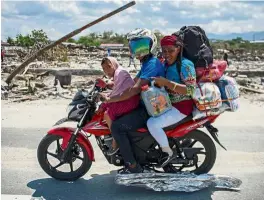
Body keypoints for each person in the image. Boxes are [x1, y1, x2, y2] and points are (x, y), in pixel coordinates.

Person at [106, 28, 164, 174]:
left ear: (152, 45)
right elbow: (133, 82)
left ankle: (132, 165)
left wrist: (112, 98)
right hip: (147, 104)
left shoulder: (152, 63)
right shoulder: (147, 63)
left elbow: (134, 89)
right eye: (135, 46)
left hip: (150, 109)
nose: (139, 50)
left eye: (142, 45)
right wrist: (112, 87)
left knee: (117, 127)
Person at [147, 35, 196, 167]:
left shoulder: (185, 65)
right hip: (166, 104)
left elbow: (191, 90)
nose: (167, 54)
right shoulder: (165, 64)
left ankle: (168, 152)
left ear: (178, 49)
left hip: (181, 107)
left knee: (152, 124)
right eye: (164, 51)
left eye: (171, 50)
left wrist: (167, 83)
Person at [98, 56, 140, 155]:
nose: (106, 70)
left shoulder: (120, 73)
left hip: (130, 100)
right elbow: (117, 88)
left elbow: (116, 92)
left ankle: (115, 140)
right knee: (107, 106)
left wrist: (105, 102)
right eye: (104, 69)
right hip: (128, 98)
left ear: (114, 64)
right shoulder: (118, 73)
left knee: (107, 114)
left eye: (109, 67)